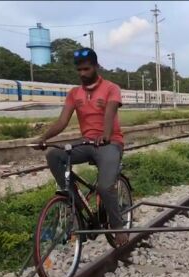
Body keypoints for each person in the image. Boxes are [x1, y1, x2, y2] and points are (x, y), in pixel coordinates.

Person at [36, 48, 128, 247]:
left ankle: (118, 227)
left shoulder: (111, 88)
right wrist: (43, 138)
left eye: (86, 69)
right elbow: (62, 121)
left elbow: (110, 114)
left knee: (104, 187)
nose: (82, 74)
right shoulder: (74, 93)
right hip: (86, 142)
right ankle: (72, 199)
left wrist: (105, 135)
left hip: (110, 143)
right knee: (54, 156)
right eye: (79, 70)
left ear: (95, 67)